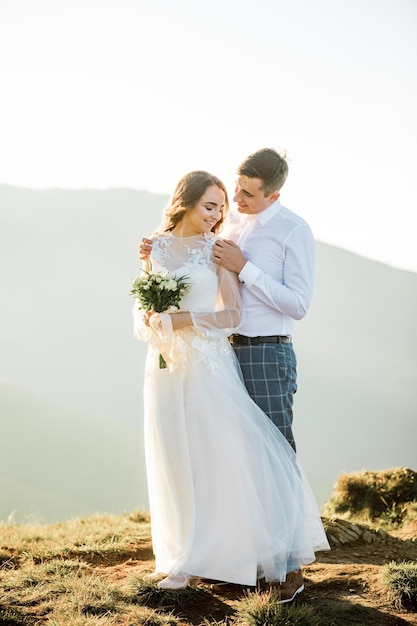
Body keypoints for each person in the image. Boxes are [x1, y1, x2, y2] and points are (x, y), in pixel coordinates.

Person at [133, 170, 329, 599]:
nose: (219, 214)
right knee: (173, 456)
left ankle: (226, 555)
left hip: (209, 364)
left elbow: (232, 316)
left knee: (216, 456)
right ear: (184, 201)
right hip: (165, 367)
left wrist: (181, 320)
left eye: (222, 207)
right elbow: (143, 304)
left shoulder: (220, 249)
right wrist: (152, 322)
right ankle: (180, 554)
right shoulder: (156, 246)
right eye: (210, 205)